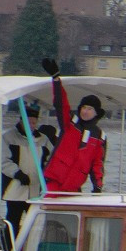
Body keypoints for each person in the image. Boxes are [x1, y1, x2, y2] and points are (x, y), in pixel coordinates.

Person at [40, 58, 106, 193]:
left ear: (96, 113)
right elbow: (61, 104)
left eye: (90, 109)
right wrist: (56, 80)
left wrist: (97, 185)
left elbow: (97, 163)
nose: (85, 111)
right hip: (53, 182)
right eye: (84, 108)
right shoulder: (70, 123)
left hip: (73, 187)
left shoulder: (100, 136)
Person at [0, 106, 53, 235]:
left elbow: (51, 160)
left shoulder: (43, 140)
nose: (31, 125)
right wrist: (17, 173)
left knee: (35, 223)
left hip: (35, 191)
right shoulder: (8, 137)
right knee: (12, 222)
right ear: (21, 121)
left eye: (34, 122)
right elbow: (1, 159)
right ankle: (10, 248)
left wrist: (46, 175)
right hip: (14, 189)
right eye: (28, 122)